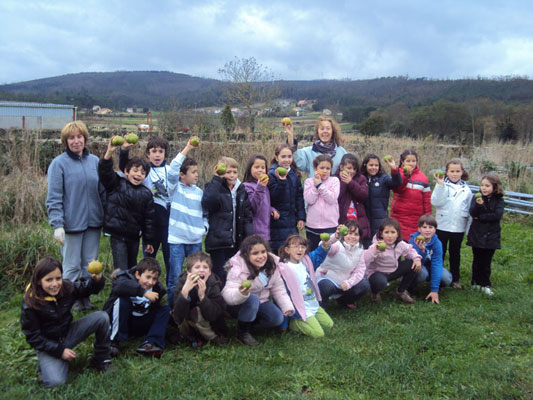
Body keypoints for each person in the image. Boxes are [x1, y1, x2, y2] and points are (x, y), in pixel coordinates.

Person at [21, 257, 112, 388]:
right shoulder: (30, 302)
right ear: (39, 281)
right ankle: (46, 365)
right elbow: (33, 337)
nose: (55, 284)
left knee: (102, 317)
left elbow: (86, 289)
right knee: (56, 383)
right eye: (48, 280)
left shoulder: (66, 287)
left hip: (68, 333)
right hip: (48, 344)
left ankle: (101, 359)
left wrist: (96, 280)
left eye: (58, 278)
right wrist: (60, 351)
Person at [46, 121, 103, 310]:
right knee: (71, 267)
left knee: (90, 265)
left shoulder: (94, 161)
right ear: (66, 141)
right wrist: (57, 225)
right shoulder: (59, 164)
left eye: (79, 137)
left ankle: (85, 299)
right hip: (71, 225)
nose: (76, 141)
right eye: (71, 138)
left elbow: (104, 190)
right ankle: (67, 303)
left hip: (93, 222)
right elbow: (54, 197)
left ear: (85, 138)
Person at [222, 235, 295, 346]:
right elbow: (227, 294)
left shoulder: (272, 265)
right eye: (255, 253)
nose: (260, 256)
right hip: (239, 303)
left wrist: (287, 306)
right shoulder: (239, 269)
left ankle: (249, 322)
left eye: (263, 252)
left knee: (277, 319)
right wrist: (241, 293)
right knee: (253, 299)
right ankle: (243, 332)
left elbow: (278, 288)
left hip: (261, 301)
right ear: (246, 255)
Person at [98, 137, 156, 270]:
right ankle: (119, 290)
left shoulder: (146, 194)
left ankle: (130, 290)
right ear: (126, 172)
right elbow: (105, 172)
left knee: (132, 268)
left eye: (142, 173)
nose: (138, 175)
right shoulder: (117, 183)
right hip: (118, 235)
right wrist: (109, 153)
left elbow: (149, 220)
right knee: (120, 269)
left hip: (133, 237)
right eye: (135, 171)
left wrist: (148, 240)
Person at [119, 135, 172, 278]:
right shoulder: (144, 170)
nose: (157, 154)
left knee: (170, 262)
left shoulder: (170, 170)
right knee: (148, 263)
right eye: (154, 151)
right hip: (150, 226)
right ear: (148, 153)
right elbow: (125, 165)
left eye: (161, 151)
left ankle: (172, 295)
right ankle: (147, 294)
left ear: (165, 153)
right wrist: (123, 150)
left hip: (169, 225)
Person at [166, 137, 207, 307]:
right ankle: (173, 308)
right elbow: (173, 169)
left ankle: (192, 307)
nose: (197, 174)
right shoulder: (174, 189)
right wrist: (187, 148)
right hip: (177, 240)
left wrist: (204, 227)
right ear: (182, 175)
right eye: (193, 172)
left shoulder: (199, 192)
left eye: (197, 171)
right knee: (175, 276)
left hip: (195, 241)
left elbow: (206, 213)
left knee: (196, 275)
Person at [103, 257, 170, 358]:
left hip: (142, 321)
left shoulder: (158, 289)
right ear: (137, 275)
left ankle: (151, 342)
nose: (150, 282)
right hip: (124, 321)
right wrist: (144, 292)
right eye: (147, 277)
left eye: (154, 279)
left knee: (165, 309)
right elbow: (119, 286)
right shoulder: (125, 278)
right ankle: (113, 342)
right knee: (122, 301)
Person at [202, 156, 253, 284]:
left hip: (236, 240)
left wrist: (249, 237)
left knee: (235, 273)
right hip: (219, 241)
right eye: (228, 172)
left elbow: (247, 215)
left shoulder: (241, 190)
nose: (232, 175)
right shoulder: (214, 187)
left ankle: (232, 300)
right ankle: (218, 300)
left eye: (235, 172)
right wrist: (216, 179)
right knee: (220, 274)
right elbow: (208, 203)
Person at [277, 234, 333, 338]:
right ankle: (294, 324)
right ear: (287, 250)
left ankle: (310, 320)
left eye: (303, 247)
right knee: (319, 334)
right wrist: (284, 322)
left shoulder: (306, 261)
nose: (300, 249)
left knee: (329, 325)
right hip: (302, 308)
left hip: (313, 303)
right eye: (296, 246)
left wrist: (325, 245)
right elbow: (282, 294)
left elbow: (317, 255)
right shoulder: (284, 268)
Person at [431, 158, 473, 289]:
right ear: (447, 172)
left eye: (457, 171)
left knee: (455, 253)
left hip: (458, 227)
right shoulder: (442, 185)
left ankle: (455, 279)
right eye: (452, 171)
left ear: (462, 172)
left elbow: (470, 210)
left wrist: (468, 231)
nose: (454, 174)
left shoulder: (467, 190)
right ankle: (438, 278)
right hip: (442, 225)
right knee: (440, 252)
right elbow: (436, 202)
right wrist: (440, 185)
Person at [172, 251, 228, 346]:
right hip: (187, 321)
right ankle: (189, 335)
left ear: (209, 272)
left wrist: (202, 296)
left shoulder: (213, 283)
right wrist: (185, 292)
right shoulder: (182, 283)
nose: (201, 270)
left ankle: (213, 337)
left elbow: (214, 315)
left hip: (209, 323)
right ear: (189, 272)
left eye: (205, 267)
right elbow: (177, 316)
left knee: (197, 311)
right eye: (197, 267)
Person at [364, 218, 422, 304]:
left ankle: (401, 291)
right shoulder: (376, 245)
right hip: (377, 273)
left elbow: (410, 250)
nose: (390, 236)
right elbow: (365, 259)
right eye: (386, 232)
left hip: (393, 270)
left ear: (397, 234)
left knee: (412, 265)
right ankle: (374, 292)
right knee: (380, 282)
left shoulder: (400, 244)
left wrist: (417, 259)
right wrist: (374, 251)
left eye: (393, 232)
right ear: (381, 233)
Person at [316, 221, 370, 309]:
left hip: (344, 282)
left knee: (364, 285)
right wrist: (335, 236)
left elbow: (360, 271)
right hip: (329, 279)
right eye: (350, 233)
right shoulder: (337, 245)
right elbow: (323, 246)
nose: (352, 237)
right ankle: (321, 306)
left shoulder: (360, 249)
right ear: (344, 234)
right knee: (325, 287)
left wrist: (349, 283)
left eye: (356, 234)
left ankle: (344, 301)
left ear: (359, 237)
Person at [467, 174, 505, 296]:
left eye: (487, 186)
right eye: (482, 185)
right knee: (477, 259)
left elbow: (497, 215)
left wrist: (482, 216)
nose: (484, 188)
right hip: (477, 234)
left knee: (486, 261)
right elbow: (472, 213)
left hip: (491, 235)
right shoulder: (476, 198)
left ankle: (485, 284)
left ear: (495, 187)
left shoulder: (499, 200)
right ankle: (475, 282)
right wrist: (479, 205)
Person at [268, 144, 306, 254]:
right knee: (279, 251)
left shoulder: (294, 174)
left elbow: (299, 197)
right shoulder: (272, 174)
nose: (286, 160)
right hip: (277, 221)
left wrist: (301, 217)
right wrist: (282, 181)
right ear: (276, 158)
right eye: (283, 157)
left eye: (289, 157)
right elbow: (272, 197)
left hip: (291, 220)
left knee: (292, 250)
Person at [408, 215, 452, 304]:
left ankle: (436, 287)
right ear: (419, 229)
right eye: (424, 227)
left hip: (430, 267)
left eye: (430, 227)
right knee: (422, 273)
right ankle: (409, 287)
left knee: (446, 278)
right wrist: (422, 251)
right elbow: (412, 260)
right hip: (417, 267)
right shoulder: (414, 240)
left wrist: (434, 290)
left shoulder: (437, 243)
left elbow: (437, 264)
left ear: (435, 230)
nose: (427, 230)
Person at [361, 153, 402, 248]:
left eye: (376, 165)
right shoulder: (362, 179)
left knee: (378, 244)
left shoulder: (383, 179)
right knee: (365, 245)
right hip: (365, 218)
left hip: (379, 218)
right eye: (371, 165)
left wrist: (394, 169)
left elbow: (396, 183)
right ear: (365, 165)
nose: (373, 168)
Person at [390, 149, 431, 239]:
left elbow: (427, 200)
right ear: (402, 162)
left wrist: (428, 217)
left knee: (413, 244)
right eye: (408, 161)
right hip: (399, 215)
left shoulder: (423, 178)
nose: (411, 163)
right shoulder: (398, 174)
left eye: (413, 161)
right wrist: (406, 176)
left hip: (416, 217)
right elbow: (398, 190)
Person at [304, 154, 340, 250]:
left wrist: (320, 185)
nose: (325, 171)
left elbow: (331, 198)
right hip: (312, 226)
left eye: (328, 168)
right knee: (313, 253)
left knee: (329, 254)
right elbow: (309, 200)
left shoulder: (335, 181)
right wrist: (315, 185)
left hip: (330, 225)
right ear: (315, 168)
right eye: (322, 167)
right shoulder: (308, 181)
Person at [335, 153, 370, 243]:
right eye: (349, 168)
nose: (352, 171)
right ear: (341, 167)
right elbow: (336, 197)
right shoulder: (335, 179)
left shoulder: (361, 178)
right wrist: (344, 182)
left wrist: (351, 183)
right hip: (341, 218)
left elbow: (363, 196)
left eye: (354, 169)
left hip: (357, 217)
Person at [243, 154, 274, 240]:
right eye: (257, 167)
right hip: (255, 233)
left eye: (263, 167)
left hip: (265, 232)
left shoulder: (265, 186)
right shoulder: (246, 186)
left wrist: (271, 209)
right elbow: (253, 207)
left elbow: (264, 204)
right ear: (250, 169)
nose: (260, 170)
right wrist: (260, 187)